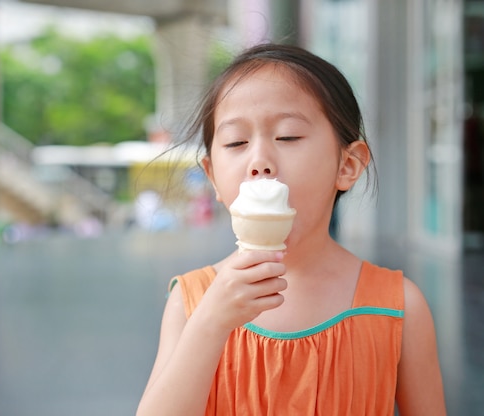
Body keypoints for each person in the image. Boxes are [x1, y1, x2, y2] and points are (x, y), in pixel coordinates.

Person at [136, 43, 446, 415]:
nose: (259, 161)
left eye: (287, 137)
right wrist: (210, 322)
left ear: (347, 165)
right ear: (213, 176)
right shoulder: (192, 303)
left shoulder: (399, 307)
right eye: (236, 142)